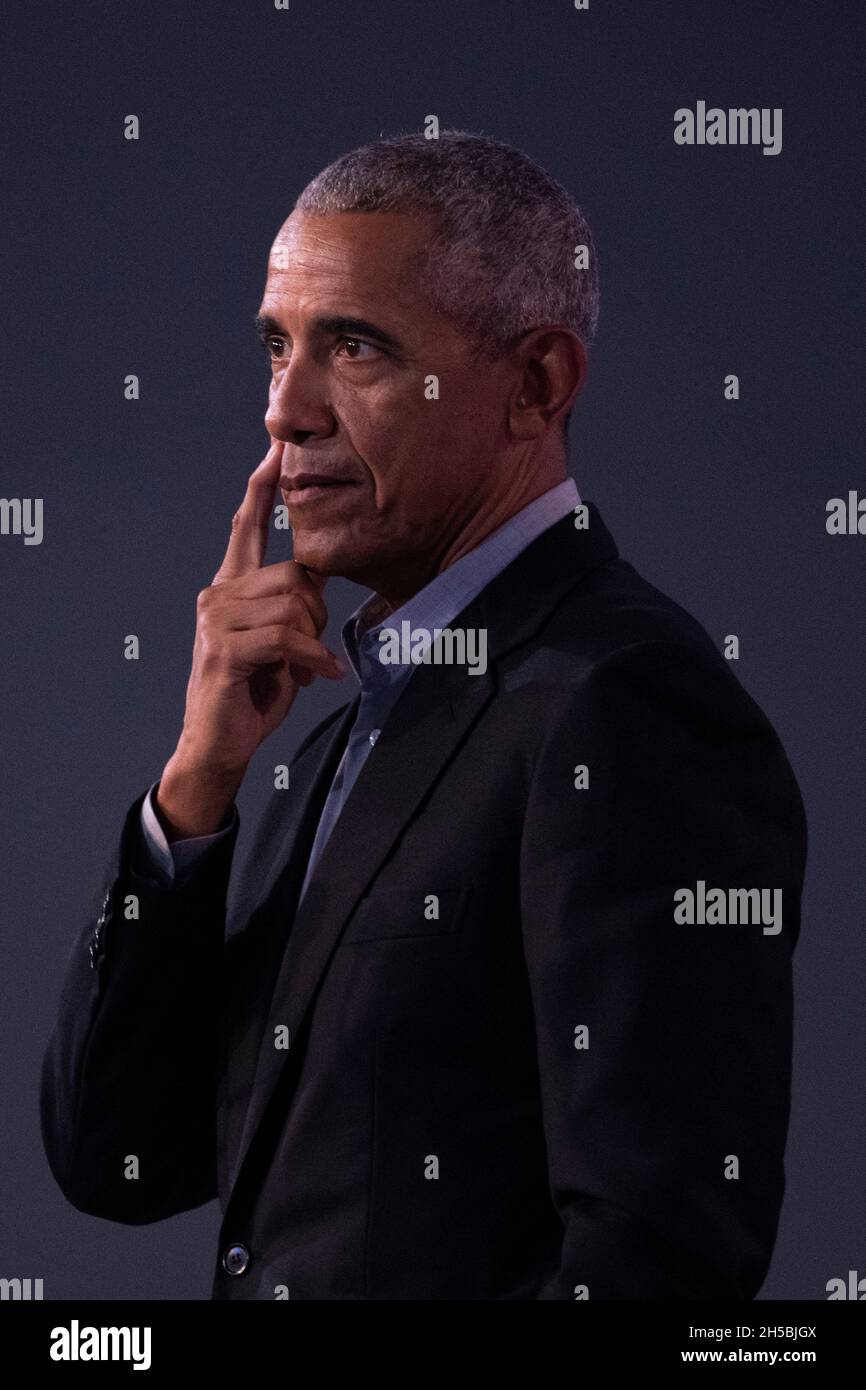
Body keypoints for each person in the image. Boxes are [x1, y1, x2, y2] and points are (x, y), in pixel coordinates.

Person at [40, 130, 807, 1300]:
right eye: (274, 348)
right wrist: (198, 779)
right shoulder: (360, 726)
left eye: (352, 347)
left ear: (536, 384)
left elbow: (658, 1255)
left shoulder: (622, 702)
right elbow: (119, 1158)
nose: (283, 412)